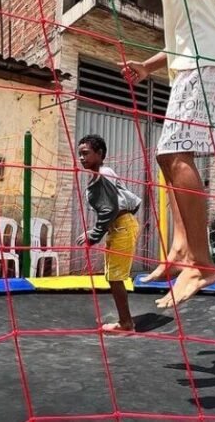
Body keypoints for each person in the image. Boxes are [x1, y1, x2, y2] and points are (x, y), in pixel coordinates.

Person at [73, 0, 215, 307]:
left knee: (174, 154)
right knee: (168, 158)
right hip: (193, 61)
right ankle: (181, 250)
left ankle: (202, 264)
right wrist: (149, 67)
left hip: (211, 59)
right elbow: (182, 37)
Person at [75, 135, 142, 332]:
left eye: (86, 153)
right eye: (80, 154)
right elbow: (120, 204)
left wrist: (94, 235)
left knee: (115, 277)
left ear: (100, 153)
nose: (81, 158)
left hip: (122, 227)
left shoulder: (104, 174)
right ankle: (125, 321)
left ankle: (126, 323)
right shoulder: (101, 175)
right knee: (112, 276)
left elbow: (110, 209)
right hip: (119, 226)